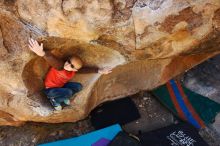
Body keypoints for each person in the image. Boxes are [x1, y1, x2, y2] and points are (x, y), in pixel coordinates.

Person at [28, 38, 112, 110]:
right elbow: (52, 60)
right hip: (50, 90)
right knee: (68, 92)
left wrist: (99, 71)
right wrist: (42, 53)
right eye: (68, 61)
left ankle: (62, 96)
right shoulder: (60, 66)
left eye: (72, 66)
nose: (67, 65)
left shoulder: (73, 71)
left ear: (75, 69)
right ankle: (55, 101)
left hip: (59, 87)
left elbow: (84, 70)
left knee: (78, 87)